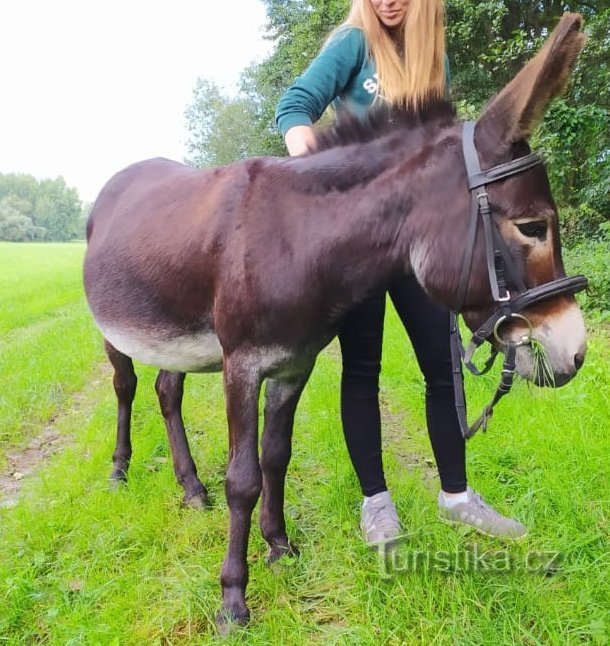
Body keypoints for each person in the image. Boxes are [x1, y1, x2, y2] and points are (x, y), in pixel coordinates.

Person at [275, 0, 527, 544]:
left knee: (443, 365)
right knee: (362, 369)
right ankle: (377, 505)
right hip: (360, 242)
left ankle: (457, 497)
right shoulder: (353, 44)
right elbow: (293, 108)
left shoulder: (433, 58)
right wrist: (315, 161)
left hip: (420, 242)